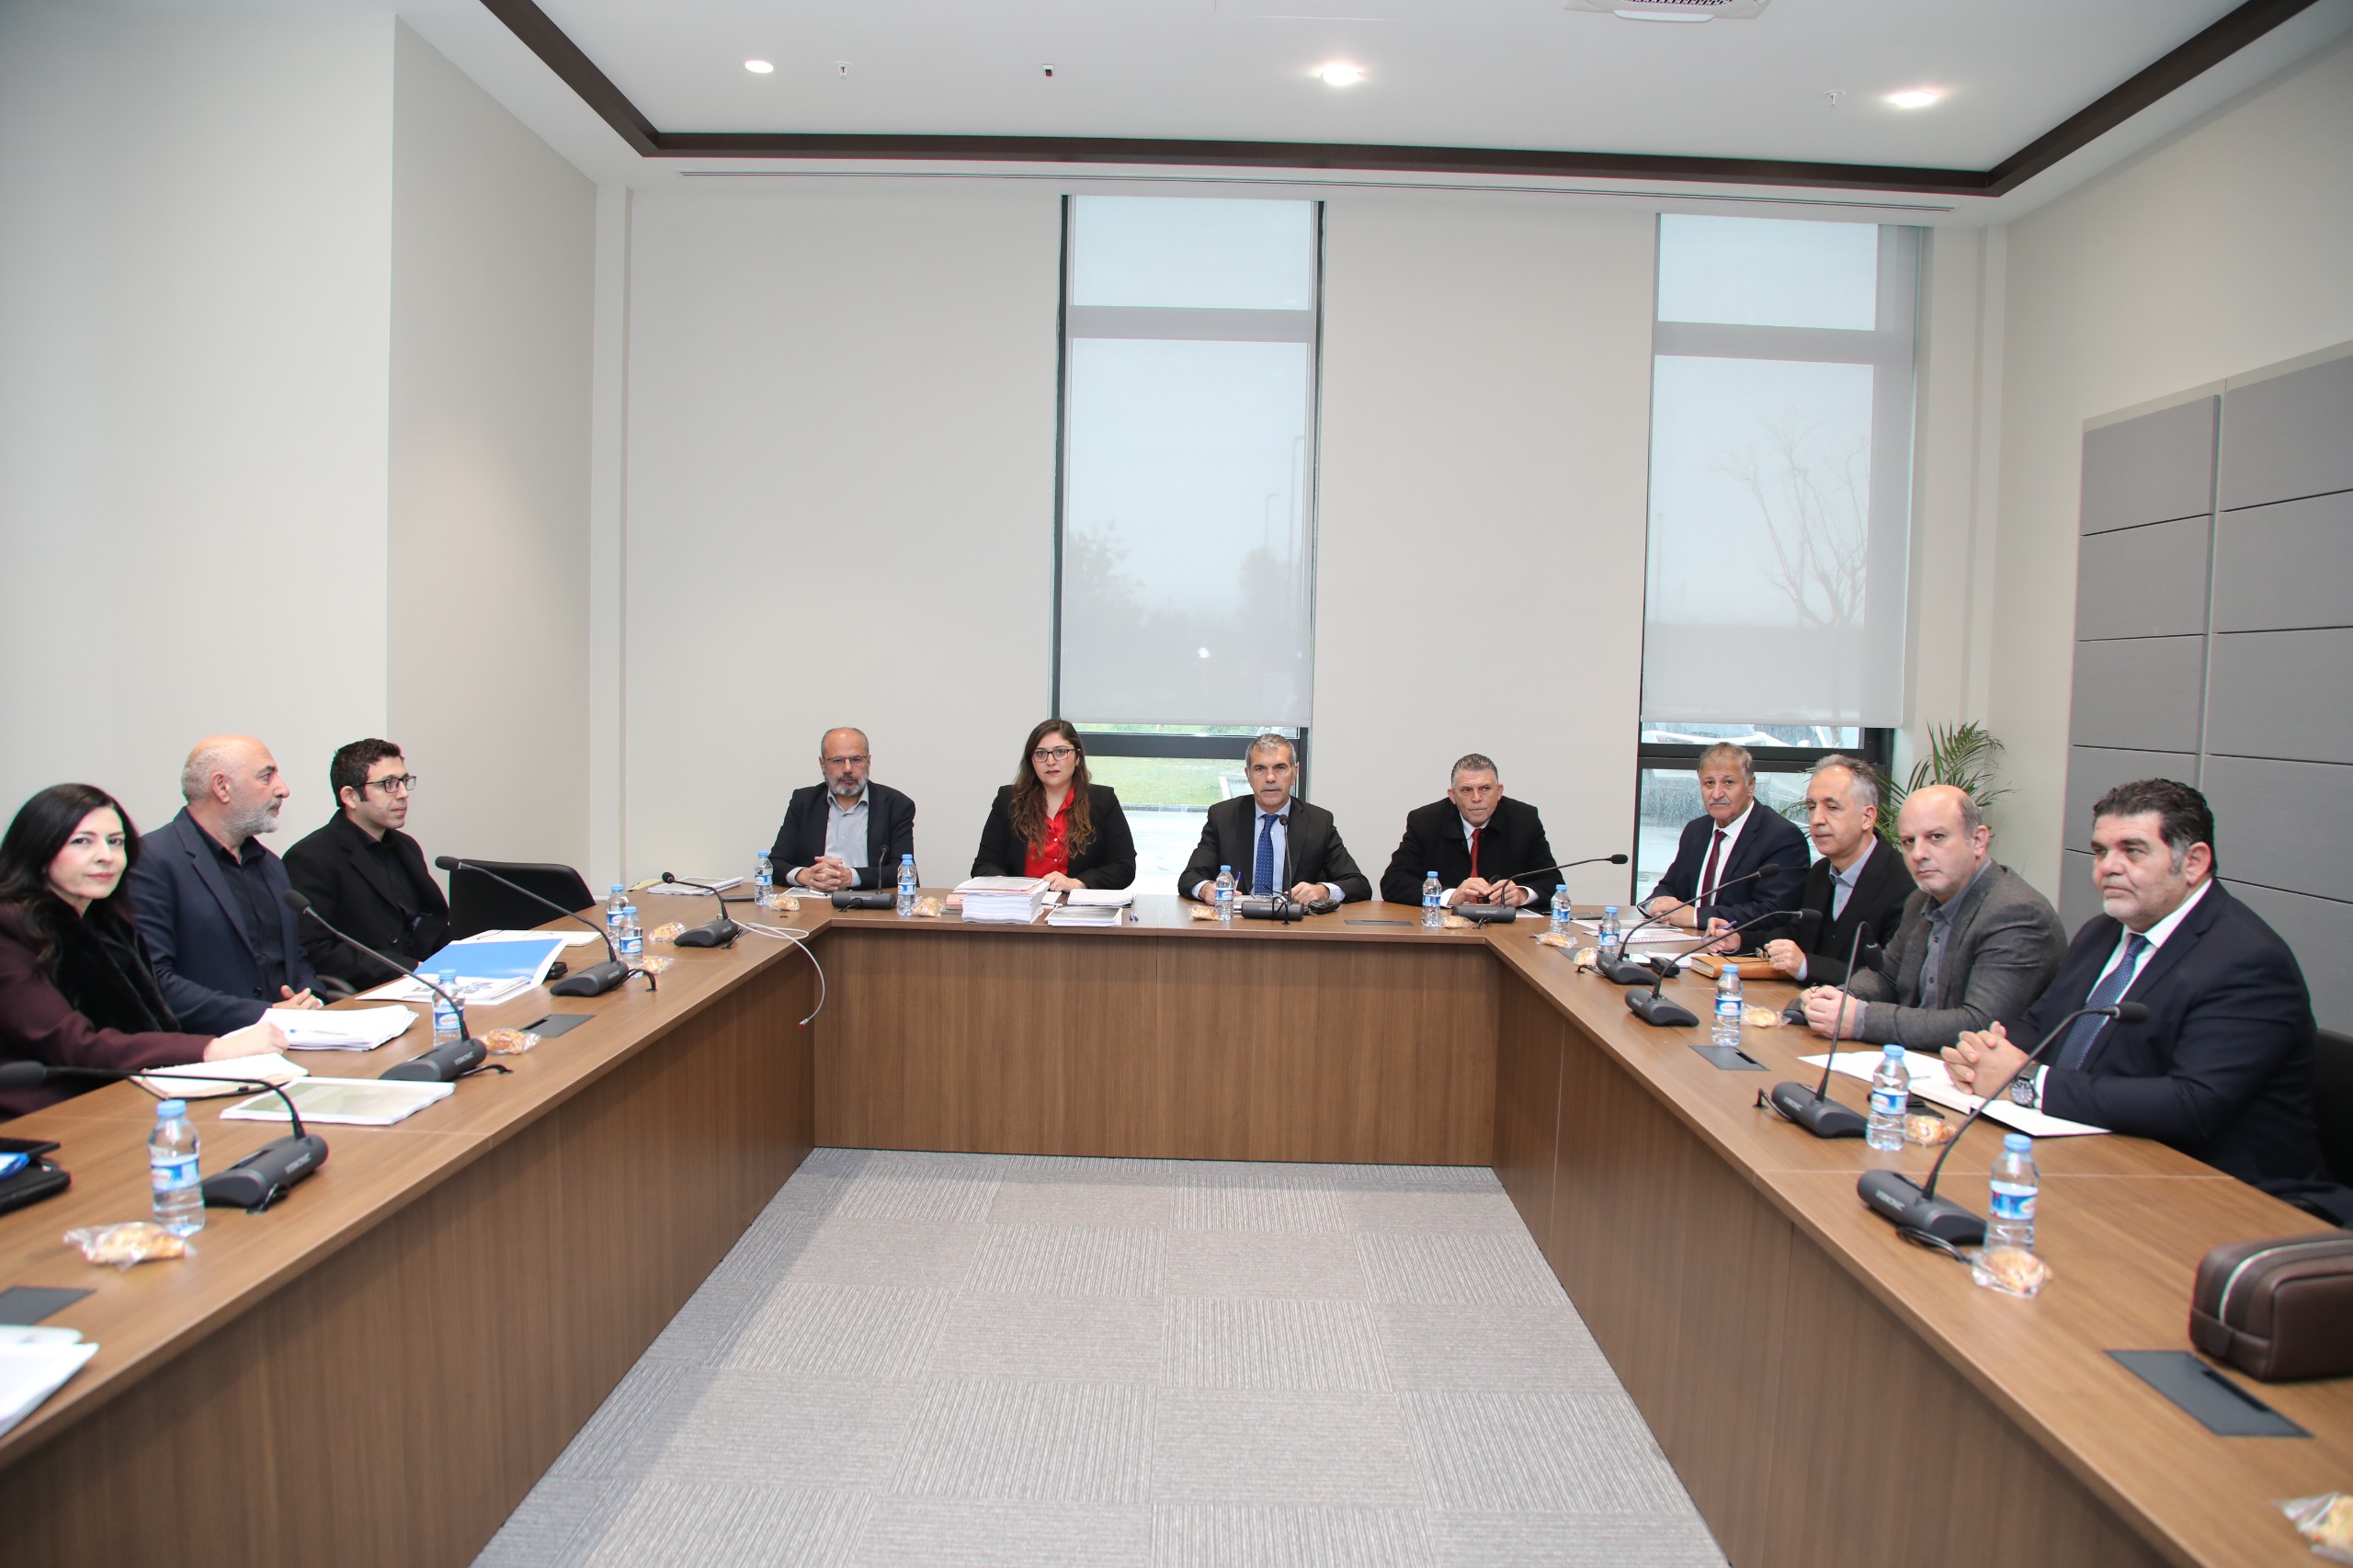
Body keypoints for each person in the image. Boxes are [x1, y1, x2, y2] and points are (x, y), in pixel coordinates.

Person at [1945, 780, 2347, 1218]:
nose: (2108, 868)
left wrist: (2027, 1083)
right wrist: (1982, 1055)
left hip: (2226, 1194)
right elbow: (2043, 1024)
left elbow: (2192, 1104)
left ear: (2193, 862)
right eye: (2100, 851)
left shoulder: (2248, 961)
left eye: (2132, 851)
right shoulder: (2101, 933)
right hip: (2093, 1156)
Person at [1, 784, 284, 1119]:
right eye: (82, 842)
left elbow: (150, 1026)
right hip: (44, 1116)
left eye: (115, 841)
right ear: (39, 851)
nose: (106, 855)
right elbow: (73, 1044)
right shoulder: (10, 928)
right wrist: (213, 1048)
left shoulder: (108, 923)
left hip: (128, 1096)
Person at [1798, 784, 2063, 1051]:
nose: (1918, 854)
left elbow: (1981, 1024)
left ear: (1978, 840)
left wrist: (1861, 1019)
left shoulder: (2016, 912)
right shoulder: (1920, 900)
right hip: (1918, 1060)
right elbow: (1886, 976)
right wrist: (1839, 998)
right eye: (1908, 842)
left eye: (1936, 837)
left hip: (1977, 1071)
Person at [126, 734, 323, 1037]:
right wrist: (264, 1015)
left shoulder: (270, 864)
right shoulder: (152, 859)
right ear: (222, 787)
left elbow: (295, 956)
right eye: (266, 776)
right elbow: (154, 980)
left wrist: (310, 996)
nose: (282, 789)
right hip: (208, 1046)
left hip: (293, 1037)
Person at [283, 740, 450, 993]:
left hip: (429, 981)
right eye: (389, 784)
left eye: (404, 781)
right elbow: (316, 949)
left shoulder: (406, 847)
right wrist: (410, 968)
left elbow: (432, 923)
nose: (403, 793)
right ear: (350, 796)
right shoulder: (310, 857)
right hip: (373, 989)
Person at [1760, 756, 1912, 985]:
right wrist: (1737, 939)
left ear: (1867, 817)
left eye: (1831, 807)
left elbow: (1890, 978)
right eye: (1812, 807)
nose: (1816, 819)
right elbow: (1794, 936)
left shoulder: (1902, 884)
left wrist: (1806, 966)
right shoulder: (1821, 872)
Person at [1640, 742, 1807, 938]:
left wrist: (1696, 917)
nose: (1717, 794)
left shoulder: (1781, 836)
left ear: (1750, 785)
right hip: (1686, 944)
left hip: (1742, 951)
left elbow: (1772, 911)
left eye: (1728, 783)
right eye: (1709, 783)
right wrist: (1657, 903)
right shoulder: (1696, 830)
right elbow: (1671, 886)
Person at [1181, 734, 1372, 905]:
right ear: (1248, 775)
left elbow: (1359, 884)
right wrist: (1206, 889)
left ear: (1294, 773)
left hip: (1295, 926)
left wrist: (1323, 891)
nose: (1270, 777)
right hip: (1238, 923)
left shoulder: (1319, 822)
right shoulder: (1223, 817)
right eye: (1260, 769)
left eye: (1280, 768)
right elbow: (1190, 877)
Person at [1378, 753, 1562, 911]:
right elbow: (1393, 882)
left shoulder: (1524, 820)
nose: (1476, 798)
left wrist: (1523, 894)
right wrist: (1450, 896)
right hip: (1446, 929)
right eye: (1466, 790)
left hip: (1506, 928)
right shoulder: (1425, 821)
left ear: (1499, 792)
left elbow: (1553, 881)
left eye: (1485, 789)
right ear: (1453, 796)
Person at [972, 721, 1136, 891]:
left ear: (1078, 757)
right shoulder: (1008, 800)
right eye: (1040, 753)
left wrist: (1077, 883)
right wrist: (1006, 887)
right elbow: (984, 864)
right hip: (1020, 904)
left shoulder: (1103, 800)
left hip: (1077, 904)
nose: (1050, 761)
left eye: (1060, 752)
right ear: (1031, 761)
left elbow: (1124, 867)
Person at [767, 727, 917, 893]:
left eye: (856, 760)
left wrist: (851, 877)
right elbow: (774, 863)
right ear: (822, 764)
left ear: (868, 761)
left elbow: (904, 869)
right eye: (838, 761)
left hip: (869, 901)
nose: (847, 769)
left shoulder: (896, 805)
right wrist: (806, 875)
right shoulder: (804, 802)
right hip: (813, 902)